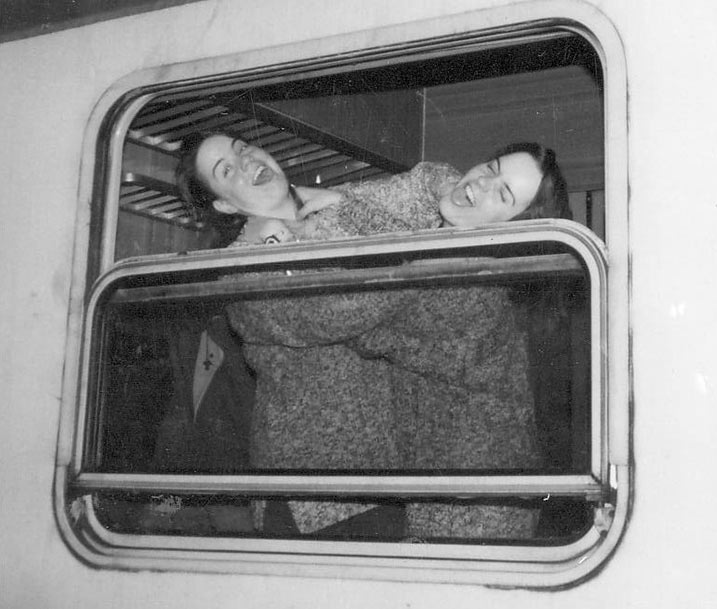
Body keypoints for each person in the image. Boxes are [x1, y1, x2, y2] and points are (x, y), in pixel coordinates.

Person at [176, 132, 570, 539]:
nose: (245, 162)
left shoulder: (463, 280)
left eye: (242, 148)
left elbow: (343, 302)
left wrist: (329, 212)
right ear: (223, 204)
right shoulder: (239, 271)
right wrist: (331, 211)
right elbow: (332, 307)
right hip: (313, 494)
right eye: (226, 170)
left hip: (433, 492)